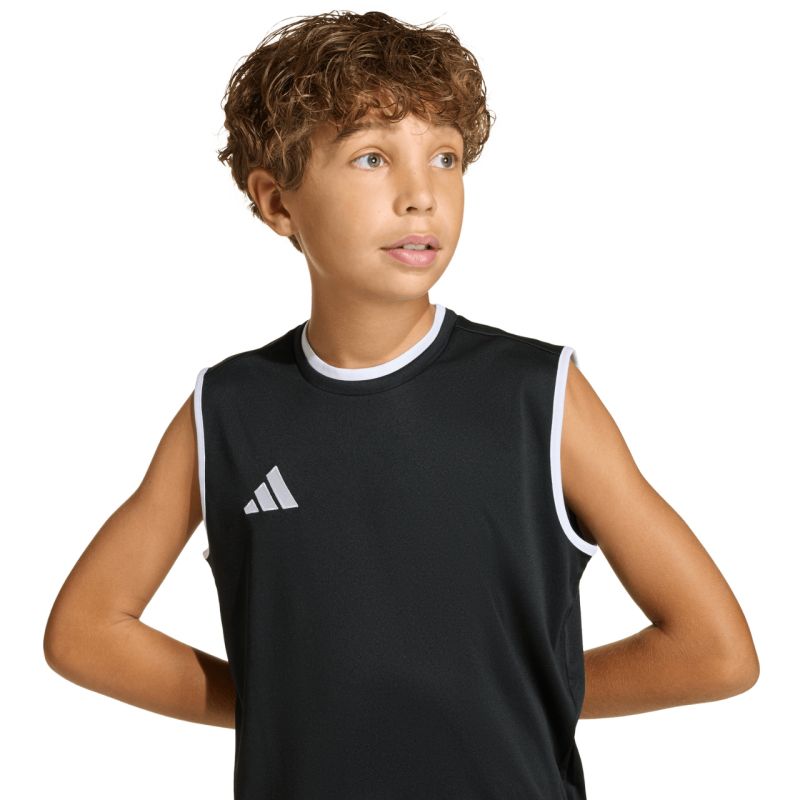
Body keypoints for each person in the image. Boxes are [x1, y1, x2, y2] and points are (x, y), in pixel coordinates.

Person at [42, 10, 759, 799]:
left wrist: (517, 696)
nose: (421, 196)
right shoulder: (227, 411)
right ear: (278, 203)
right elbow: (87, 633)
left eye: (445, 158)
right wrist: (290, 708)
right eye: (373, 158)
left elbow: (714, 651)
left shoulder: (541, 394)